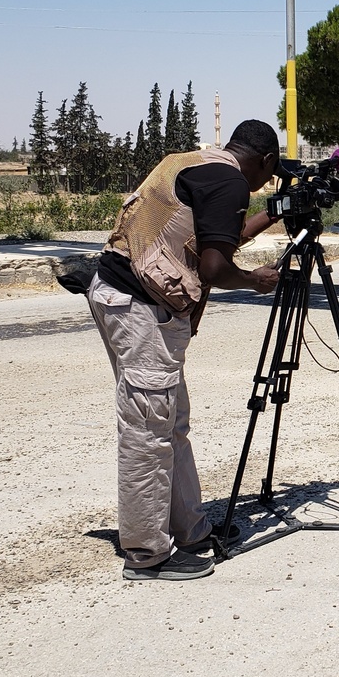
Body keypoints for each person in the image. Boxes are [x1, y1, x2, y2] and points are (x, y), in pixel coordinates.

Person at [87, 119, 282, 581]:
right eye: (268, 177)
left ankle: (191, 530)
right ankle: (147, 554)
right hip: (140, 308)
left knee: (169, 423)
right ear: (266, 161)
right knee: (148, 431)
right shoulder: (232, 181)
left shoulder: (192, 162)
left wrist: (274, 213)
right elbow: (215, 265)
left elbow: (209, 237)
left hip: (123, 295)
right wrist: (256, 281)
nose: (262, 186)